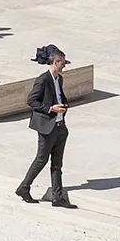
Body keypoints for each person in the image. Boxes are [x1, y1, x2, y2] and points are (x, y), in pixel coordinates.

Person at [16, 47, 77, 208]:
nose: (64, 66)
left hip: (59, 126)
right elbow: (32, 101)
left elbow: (59, 96)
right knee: (41, 159)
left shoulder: (59, 79)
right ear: (56, 62)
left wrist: (63, 108)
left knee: (57, 163)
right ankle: (24, 187)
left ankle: (57, 197)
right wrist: (51, 108)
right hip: (47, 127)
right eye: (63, 63)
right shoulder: (43, 79)